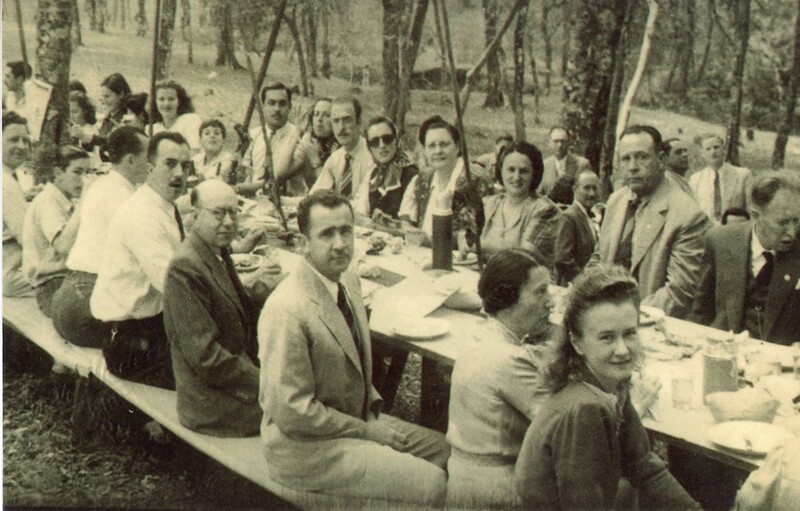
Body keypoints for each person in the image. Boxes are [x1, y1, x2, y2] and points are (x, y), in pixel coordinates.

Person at [258, 190, 449, 506]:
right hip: (307, 450)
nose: (340, 244)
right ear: (303, 243)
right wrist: (366, 431)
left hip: (354, 422)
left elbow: (355, 365)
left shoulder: (347, 278)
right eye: (327, 234)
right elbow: (292, 413)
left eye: (346, 231)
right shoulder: (287, 308)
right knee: (432, 483)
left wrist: (370, 417)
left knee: (446, 451)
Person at [514, 264, 700, 510]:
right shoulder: (584, 409)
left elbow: (645, 468)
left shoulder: (610, 385)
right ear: (577, 343)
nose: (622, 350)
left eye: (629, 334)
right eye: (607, 338)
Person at [446, 249, 551, 508]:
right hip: (500, 492)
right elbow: (565, 427)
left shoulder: (478, 333)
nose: (550, 303)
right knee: (620, 487)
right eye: (540, 292)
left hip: (464, 478)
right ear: (508, 298)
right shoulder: (510, 359)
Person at [163, 181, 266, 437]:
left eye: (234, 212)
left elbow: (235, 309)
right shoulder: (184, 267)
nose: (229, 222)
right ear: (195, 215)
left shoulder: (213, 251)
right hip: (211, 403)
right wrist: (266, 382)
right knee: (306, 408)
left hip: (229, 382)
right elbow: (206, 357)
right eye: (218, 213)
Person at [89, 132, 191, 389]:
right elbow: (174, 286)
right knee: (215, 374)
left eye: (185, 166)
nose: (179, 173)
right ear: (150, 166)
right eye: (170, 164)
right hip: (130, 340)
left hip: (152, 326)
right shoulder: (142, 215)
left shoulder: (162, 205)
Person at [592, 125, 709, 318]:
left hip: (650, 323)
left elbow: (678, 292)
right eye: (626, 159)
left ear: (661, 160)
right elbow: (599, 259)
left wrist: (620, 317)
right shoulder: (616, 200)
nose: (632, 167)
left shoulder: (688, 215)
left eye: (641, 157)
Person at [51, 127, 150, 348]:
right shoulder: (121, 196)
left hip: (67, 298)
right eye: (148, 154)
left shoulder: (102, 185)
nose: (151, 161)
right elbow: (143, 253)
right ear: (131, 160)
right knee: (161, 339)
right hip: (86, 307)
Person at [690, 171, 800, 346]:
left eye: (796, 221)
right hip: (725, 350)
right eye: (783, 223)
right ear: (755, 215)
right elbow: (701, 310)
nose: (792, 232)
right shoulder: (720, 241)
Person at [403, 115, 493, 246]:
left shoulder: (474, 178)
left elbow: (478, 237)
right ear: (425, 151)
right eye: (431, 146)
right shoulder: (424, 178)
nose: (438, 151)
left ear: (457, 147)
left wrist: (428, 241)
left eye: (444, 144)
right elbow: (407, 221)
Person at [22, 146, 89, 316]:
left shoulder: (64, 200)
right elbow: (64, 247)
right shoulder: (48, 200)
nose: (84, 180)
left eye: (88, 173)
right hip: (51, 285)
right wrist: (85, 201)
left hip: (65, 280)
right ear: (59, 173)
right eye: (77, 172)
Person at [480, 140, 562, 266]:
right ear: (501, 171)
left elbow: (524, 256)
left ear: (534, 174)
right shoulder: (490, 204)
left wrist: (477, 245)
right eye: (511, 170)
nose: (517, 177)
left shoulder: (546, 210)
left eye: (524, 171)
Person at [353, 116, 418, 228]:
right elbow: (359, 213)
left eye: (387, 139)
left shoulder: (412, 176)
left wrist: (371, 224)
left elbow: (407, 227)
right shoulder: (373, 175)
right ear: (369, 148)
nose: (382, 145)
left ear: (396, 140)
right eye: (375, 142)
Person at [240, 82, 303, 196]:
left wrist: (240, 188)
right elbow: (246, 171)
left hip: (287, 200)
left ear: (290, 107)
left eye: (282, 104)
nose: (277, 109)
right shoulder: (254, 135)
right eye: (271, 103)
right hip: (254, 199)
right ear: (263, 107)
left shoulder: (298, 136)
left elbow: (279, 176)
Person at [310, 96, 374, 201]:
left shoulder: (372, 156)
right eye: (336, 121)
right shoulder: (335, 159)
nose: (341, 128)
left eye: (347, 120)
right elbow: (315, 196)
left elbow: (364, 204)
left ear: (358, 122)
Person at [2, 112, 34, 297]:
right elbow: (28, 236)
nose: (22, 146)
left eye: (25, 141)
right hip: (11, 273)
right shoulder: (6, 183)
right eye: (14, 140)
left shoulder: (7, 177)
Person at [689, 134, 751, 223]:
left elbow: (751, 209)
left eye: (716, 147)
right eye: (708, 149)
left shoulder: (742, 175)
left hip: (734, 227)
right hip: (707, 228)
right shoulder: (695, 179)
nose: (713, 152)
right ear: (702, 154)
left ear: (724, 150)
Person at [70, 73, 131, 160]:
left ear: (121, 94)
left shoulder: (126, 117)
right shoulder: (108, 117)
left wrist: (89, 138)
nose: (104, 101)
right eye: (103, 97)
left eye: (107, 96)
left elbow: (113, 143)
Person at [555, 169, 600, 284]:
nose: (592, 193)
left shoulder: (588, 215)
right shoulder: (569, 217)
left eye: (595, 188)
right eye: (586, 188)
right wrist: (582, 282)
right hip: (572, 286)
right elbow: (562, 259)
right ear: (575, 189)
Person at [291, 97, 339, 188]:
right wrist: (296, 134)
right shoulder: (310, 141)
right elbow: (284, 172)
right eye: (316, 114)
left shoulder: (339, 147)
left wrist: (316, 162)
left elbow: (329, 189)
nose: (319, 119)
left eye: (327, 115)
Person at [538, 127, 591, 197]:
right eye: (556, 141)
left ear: (568, 142)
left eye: (563, 141)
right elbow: (539, 194)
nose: (559, 145)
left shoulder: (582, 164)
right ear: (549, 143)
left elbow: (588, 192)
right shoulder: (544, 165)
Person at [151, 80, 203, 152]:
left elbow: (195, 153)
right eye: (161, 99)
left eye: (171, 99)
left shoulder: (190, 120)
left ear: (179, 101)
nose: (166, 104)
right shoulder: (152, 129)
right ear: (155, 102)